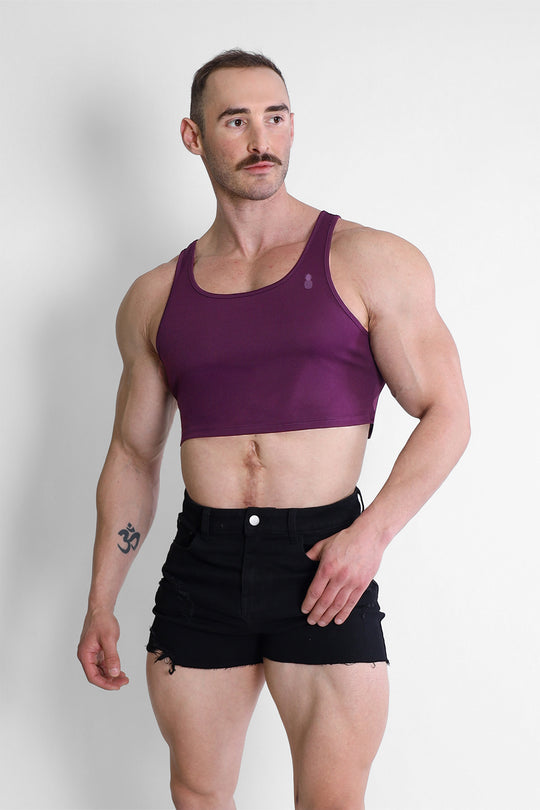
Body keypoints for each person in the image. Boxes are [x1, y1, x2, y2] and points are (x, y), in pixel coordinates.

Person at [77, 49, 470, 810]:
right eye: (236, 121)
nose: (262, 139)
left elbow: (447, 413)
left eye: (276, 116)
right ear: (194, 136)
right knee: (197, 794)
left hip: (324, 559)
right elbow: (133, 453)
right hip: (203, 563)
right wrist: (101, 600)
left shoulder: (369, 260)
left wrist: (370, 536)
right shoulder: (155, 297)